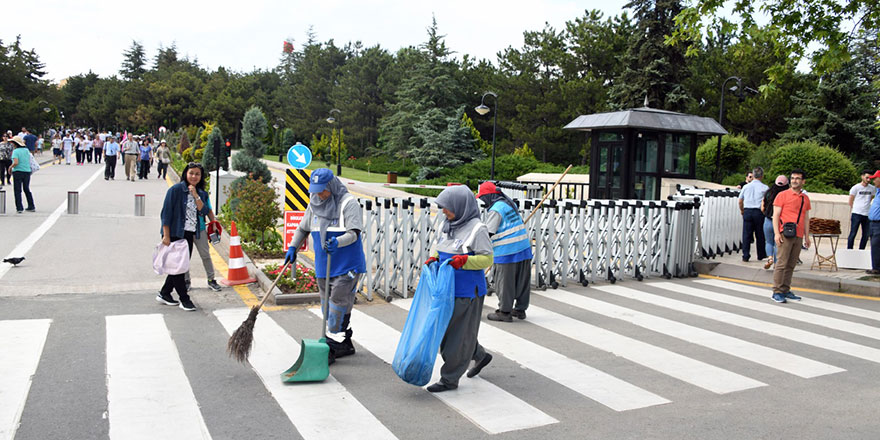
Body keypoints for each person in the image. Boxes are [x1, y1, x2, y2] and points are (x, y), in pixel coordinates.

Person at [284, 168, 366, 365]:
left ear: (331, 186)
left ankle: (331, 344)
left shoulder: (348, 203)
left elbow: (354, 233)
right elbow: (303, 228)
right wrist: (293, 246)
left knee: (338, 300)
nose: (320, 194)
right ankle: (344, 341)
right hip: (324, 264)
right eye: (316, 190)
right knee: (327, 305)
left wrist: (339, 241)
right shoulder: (314, 204)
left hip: (347, 263)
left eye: (323, 190)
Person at [423, 185, 494, 392]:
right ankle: (480, 355)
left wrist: (465, 261)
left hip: (467, 290)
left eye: (447, 207)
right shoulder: (448, 224)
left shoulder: (477, 229)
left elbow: (487, 258)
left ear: (460, 206)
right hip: (447, 288)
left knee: (457, 336)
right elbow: (441, 247)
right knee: (453, 332)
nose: (444, 212)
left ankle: (449, 379)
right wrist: (434, 257)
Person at [157, 162, 211, 311]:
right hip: (175, 233)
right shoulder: (175, 190)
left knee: (179, 266)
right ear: (186, 174)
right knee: (179, 268)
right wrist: (166, 235)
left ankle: (165, 293)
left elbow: (204, 211)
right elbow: (166, 214)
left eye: (197, 174)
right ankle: (184, 299)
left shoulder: (201, 193)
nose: (194, 176)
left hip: (189, 234)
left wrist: (195, 195)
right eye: (191, 173)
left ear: (201, 177)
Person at [476, 181, 533, 322]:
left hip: (507, 251)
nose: (482, 201)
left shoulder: (496, 209)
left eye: (483, 197)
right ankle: (520, 309)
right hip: (523, 247)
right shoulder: (508, 204)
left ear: (489, 196)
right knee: (521, 281)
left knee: (505, 283)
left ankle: (504, 312)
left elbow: (488, 232)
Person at [771, 169, 811, 303]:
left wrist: (807, 236)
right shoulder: (782, 195)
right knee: (781, 263)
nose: (795, 180)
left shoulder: (805, 198)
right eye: (793, 178)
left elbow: (806, 218)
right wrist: (777, 233)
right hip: (785, 233)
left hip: (798, 234)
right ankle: (777, 291)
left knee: (791, 264)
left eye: (798, 178)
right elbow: (775, 215)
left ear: (803, 181)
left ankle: (785, 289)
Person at [184, 198, 223, 292]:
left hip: (200, 229)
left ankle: (211, 279)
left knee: (205, 255)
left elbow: (208, 210)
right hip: (185, 230)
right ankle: (186, 280)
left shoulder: (201, 194)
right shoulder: (180, 192)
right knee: (185, 257)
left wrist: (213, 223)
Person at [739, 167, 769, 262]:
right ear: (762, 176)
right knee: (760, 234)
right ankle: (761, 254)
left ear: (753, 175)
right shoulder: (765, 188)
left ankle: (746, 255)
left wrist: (742, 210)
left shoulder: (746, 187)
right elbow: (766, 201)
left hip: (747, 210)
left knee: (746, 234)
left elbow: (740, 200)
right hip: (759, 212)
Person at [761, 175, 789, 269]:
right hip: (780, 222)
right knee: (778, 243)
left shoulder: (768, 193)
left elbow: (762, 207)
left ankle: (770, 258)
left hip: (768, 220)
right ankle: (776, 264)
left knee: (768, 242)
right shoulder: (786, 195)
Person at [847, 170, 875, 250]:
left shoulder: (872, 188)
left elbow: (871, 197)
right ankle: (850, 250)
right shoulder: (856, 187)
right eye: (867, 178)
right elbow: (851, 200)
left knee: (866, 234)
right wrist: (855, 208)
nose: (868, 180)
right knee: (853, 233)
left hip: (867, 214)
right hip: (857, 213)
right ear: (862, 177)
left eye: (870, 178)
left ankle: (861, 250)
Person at [6, 136, 35, 213]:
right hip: (27, 171)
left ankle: (19, 207)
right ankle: (31, 205)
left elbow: (16, 162)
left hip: (18, 171)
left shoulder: (15, 151)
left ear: (15, 144)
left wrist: (10, 167)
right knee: (26, 188)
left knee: (17, 190)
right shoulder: (26, 150)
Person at [866, 170, 880, 275]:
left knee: (876, 245)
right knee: (874, 245)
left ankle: (877, 268)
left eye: (875, 178)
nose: (873, 181)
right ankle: (875, 266)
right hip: (872, 223)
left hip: (878, 224)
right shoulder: (878, 191)